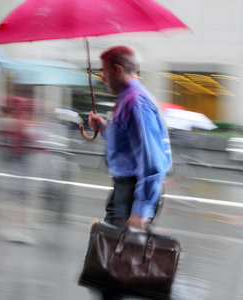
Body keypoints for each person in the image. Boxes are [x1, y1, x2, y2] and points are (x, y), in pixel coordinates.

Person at [87, 46, 172, 300]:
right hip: (125, 190)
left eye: (104, 72)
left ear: (118, 70)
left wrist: (141, 210)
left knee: (113, 271)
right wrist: (105, 128)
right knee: (117, 268)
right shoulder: (128, 99)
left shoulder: (135, 102)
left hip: (133, 191)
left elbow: (151, 160)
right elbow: (129, 143)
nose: (102, 78)